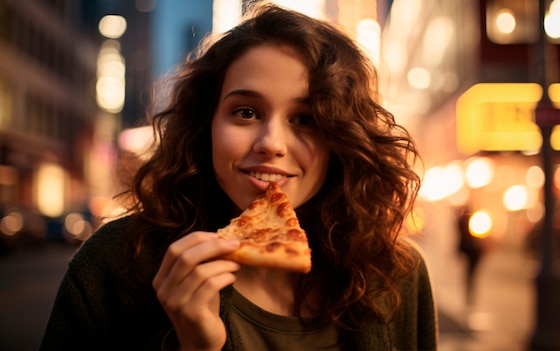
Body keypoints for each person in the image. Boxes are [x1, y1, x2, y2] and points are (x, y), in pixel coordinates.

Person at [40, 3, 438, 350]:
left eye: (305, 119)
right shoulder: (116, 264)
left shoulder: (396, 275)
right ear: (206, 124)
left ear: (342, 139)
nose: (271, 143)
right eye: (246, 112)